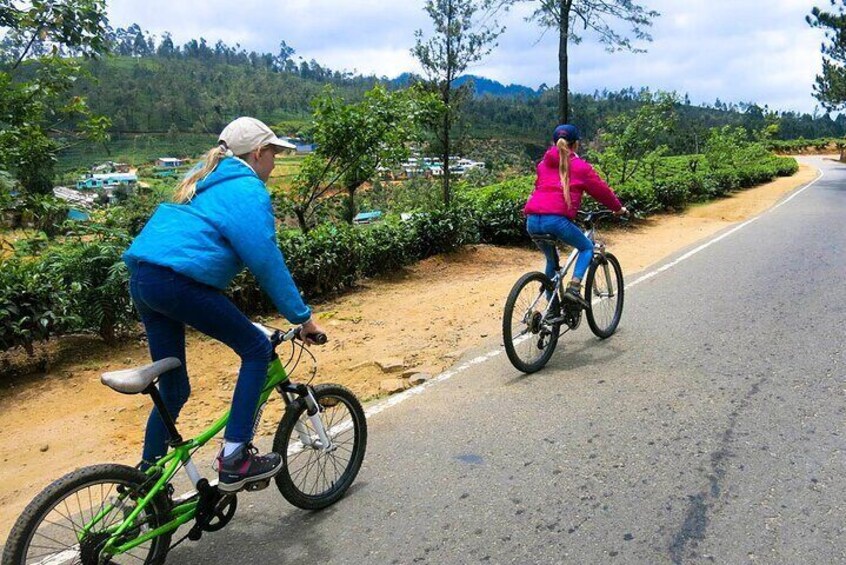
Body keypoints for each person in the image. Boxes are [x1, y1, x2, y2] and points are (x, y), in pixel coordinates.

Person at [123, 117, 325, 492]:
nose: (276, 164)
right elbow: (265, 259)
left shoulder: (203, 177)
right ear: (259, 153)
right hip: (177, 282)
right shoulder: (246, 188)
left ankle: (146, 482)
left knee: (174, 388)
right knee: (257, 349)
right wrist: (303, 318)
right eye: (274, 154)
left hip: (146, 280)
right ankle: (235, 457)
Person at [524, 124, 628, 309]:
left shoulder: (542, 164)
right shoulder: (580, 167)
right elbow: (602, 192)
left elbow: (541, 187)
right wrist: (618, 209)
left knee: (551, 259)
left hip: (532, 220)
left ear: (554, 143)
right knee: (587, 247)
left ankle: (552, 308)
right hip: (555, 221)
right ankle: (574, 288)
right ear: (576, 144)